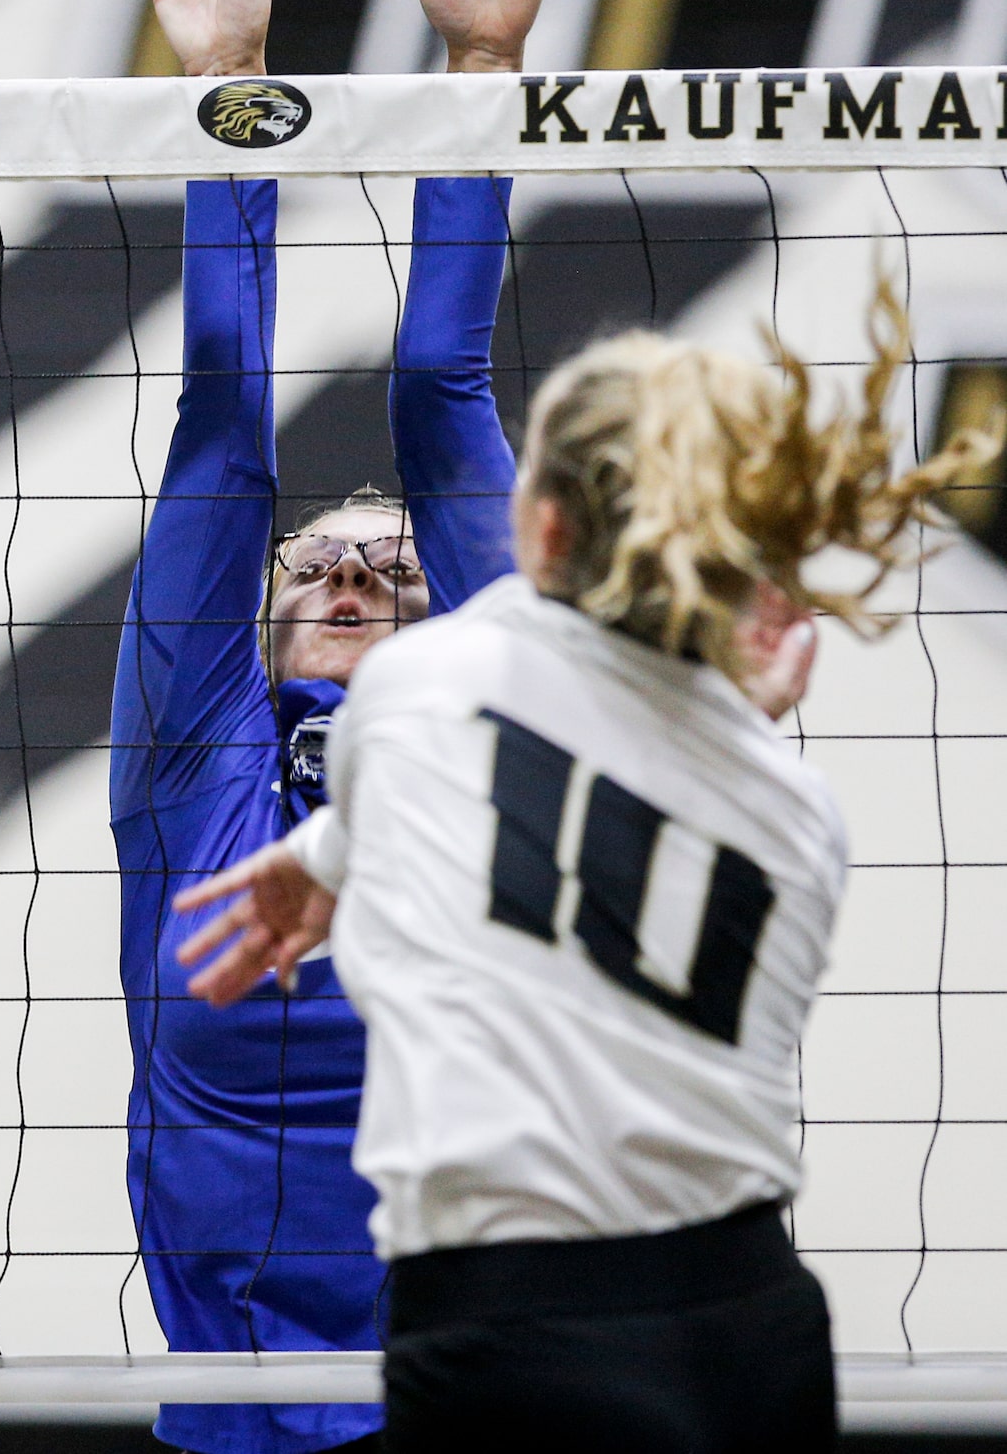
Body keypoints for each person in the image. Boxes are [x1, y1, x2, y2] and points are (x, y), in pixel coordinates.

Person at [174, 289, 994, 1450]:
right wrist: (330, 854)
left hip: (515, 1323)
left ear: (547, 534)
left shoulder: (420, 692)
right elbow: (582, 785)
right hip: (751, 1316)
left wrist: (324, 855)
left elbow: (458, 762)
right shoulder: (797, 812)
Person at [107, 0, 596, 1454]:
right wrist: (227, 84)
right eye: (322, 566)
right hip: (239, 1393)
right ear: (262, 618)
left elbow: (441, 392)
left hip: (462, 1376)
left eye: (397, 574)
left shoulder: (481, 739)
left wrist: (481, 62)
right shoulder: (196, 765)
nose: (354, 581)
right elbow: (222, 428)